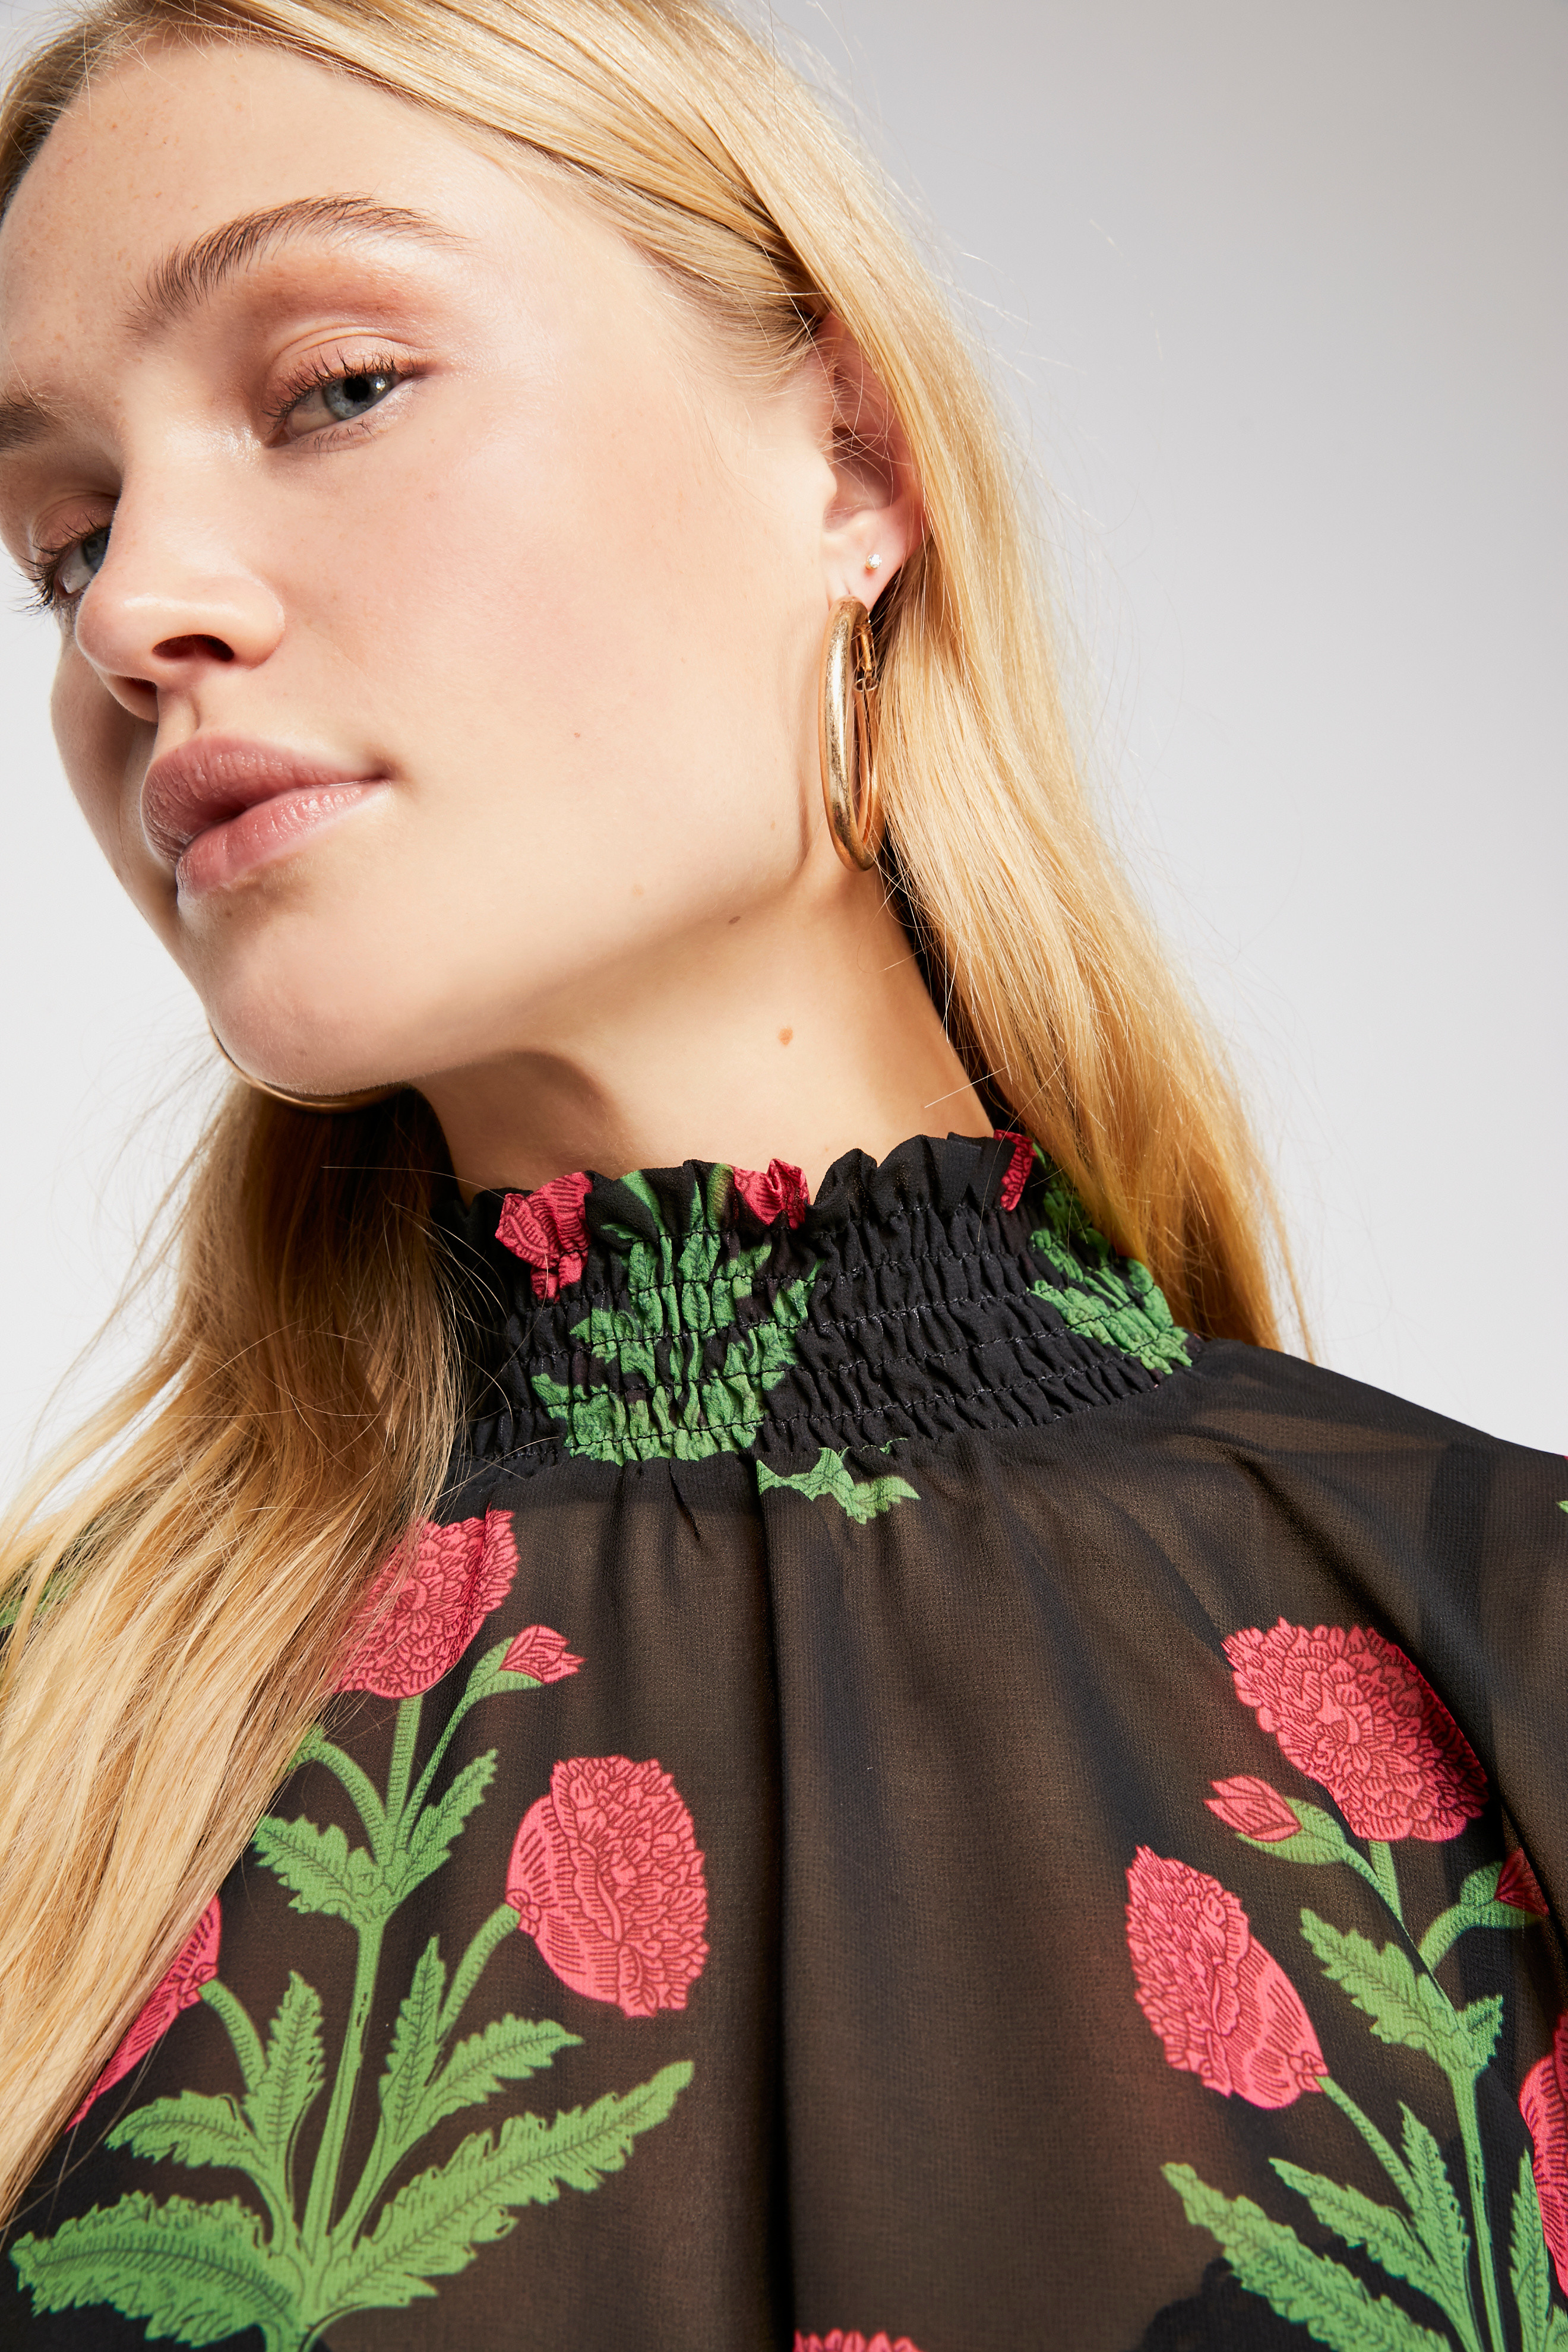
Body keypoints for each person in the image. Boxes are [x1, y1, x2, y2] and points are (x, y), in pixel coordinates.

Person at [0, 1, 1561, 2345]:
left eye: (335, 388)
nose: (134, 615)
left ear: (850, 459)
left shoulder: (1516, 1646)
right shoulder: (48, 1760)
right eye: (67, 537)